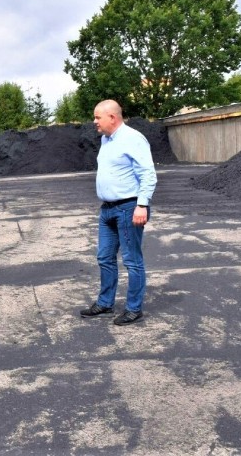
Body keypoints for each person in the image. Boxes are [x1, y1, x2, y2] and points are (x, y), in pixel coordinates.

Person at [80, 99, 157, 325]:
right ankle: (105, 304)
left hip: (129, 207)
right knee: (104, 257)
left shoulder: (133, 138)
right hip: (107, 209)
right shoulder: (106, 139)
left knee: (132, 261)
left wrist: (142, 205)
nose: (94, 121)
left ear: (112, 117)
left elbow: (148, 174)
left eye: (97, 117)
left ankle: (134, 309)